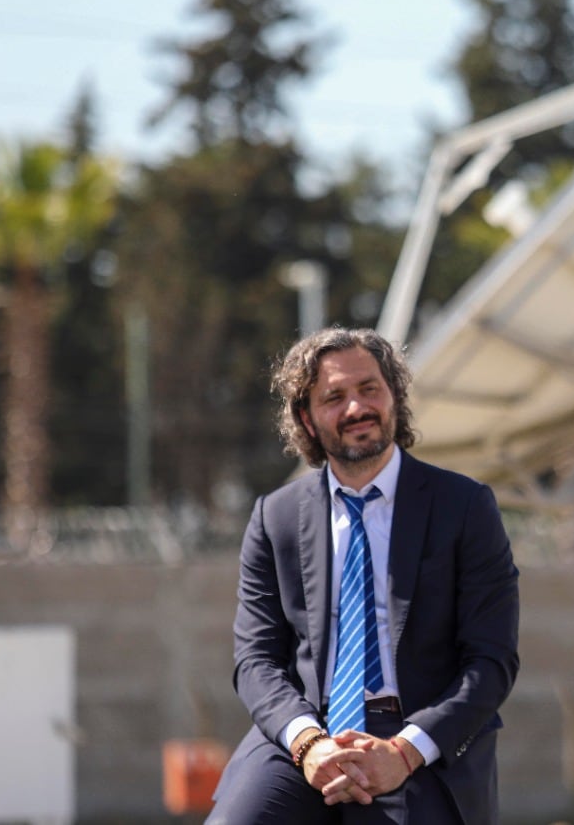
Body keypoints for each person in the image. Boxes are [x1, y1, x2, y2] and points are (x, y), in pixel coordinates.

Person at [208, 327, 520, 825]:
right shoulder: (276, 517)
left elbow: (491, 661)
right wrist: (309, 744)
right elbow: (256, 659)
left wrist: (404, 751)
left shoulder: (465, 507)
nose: (357, 408)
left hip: (423, 742)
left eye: (369, 389)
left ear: (393, 395)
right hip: (310, 734)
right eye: (334, 397)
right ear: (307, 420)